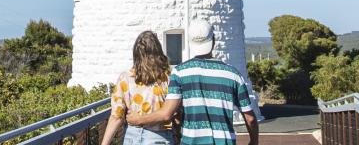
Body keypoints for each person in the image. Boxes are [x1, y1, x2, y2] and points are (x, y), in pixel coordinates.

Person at [128, 19, 259, 145]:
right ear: (213, 41)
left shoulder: (180, 73)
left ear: (190, 42)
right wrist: (254, 142)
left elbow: (166, 113)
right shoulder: (233, 75)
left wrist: (139, 119)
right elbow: (250, 118)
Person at [99, 31, 176, 145]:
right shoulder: (168, 78)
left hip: (131, 138)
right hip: (159, 137)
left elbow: (116, 117)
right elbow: (173, 112)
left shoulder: (125, 78)